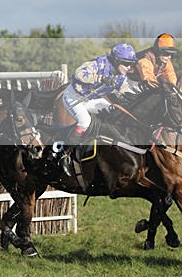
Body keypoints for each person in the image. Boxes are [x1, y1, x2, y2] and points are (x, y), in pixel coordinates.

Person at [59, 42, 138, 177]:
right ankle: (65, 155)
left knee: (113, 112)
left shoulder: (121, 76)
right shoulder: (99, 64)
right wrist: (100, 78)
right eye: (126, 63)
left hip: (92, 99)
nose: (129, 67)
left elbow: (124, 92)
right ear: (117, 60)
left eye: (131, 64)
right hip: (74, 97)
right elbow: (79, 74)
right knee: (85, 122)